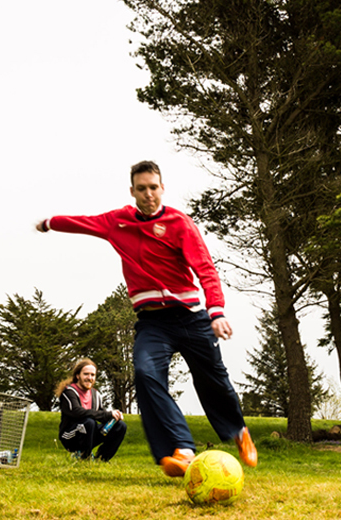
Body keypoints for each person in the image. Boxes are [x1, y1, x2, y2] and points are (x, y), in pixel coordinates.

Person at [36, 160, 257, 476]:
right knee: (145, 374)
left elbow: (206, 269)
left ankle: (238, 432)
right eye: (142, 189)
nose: (148, 194)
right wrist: (49, 223)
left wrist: (216, 311)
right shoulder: (119, 222)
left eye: (153, 187)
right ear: (133, 191)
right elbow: (84, 223)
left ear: (162, 188)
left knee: (213, 379)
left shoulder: (180, 223)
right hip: (153, 323)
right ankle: (182, 450)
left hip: (191, 317)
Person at [56, 358, 127, 461]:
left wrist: (114, 415)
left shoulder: (96, 394)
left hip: (89, 433)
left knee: (120, 426)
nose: (89, 378)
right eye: (86, 374)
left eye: (92, 375)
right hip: (70, 436)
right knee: (89, 422)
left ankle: (102, 459)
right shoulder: (69, 392)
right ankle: (85, 457)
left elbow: (101, 415)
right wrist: (106, 414)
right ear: (78, 376)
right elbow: (77, 412)